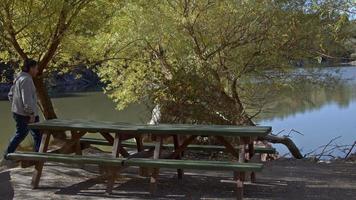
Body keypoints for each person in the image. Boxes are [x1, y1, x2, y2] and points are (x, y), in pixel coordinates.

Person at [3, 59, 41, 161]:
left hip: (19, 112)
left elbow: (10, 95)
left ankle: (8, 155)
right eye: (36, 68)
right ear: (31, 68)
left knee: (33, 134)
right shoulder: (26, 80)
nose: (37, 71)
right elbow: (27, 99)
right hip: (27, 114)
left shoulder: (19, 78)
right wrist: (31, 114)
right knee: (26, 134)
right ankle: (7, 155)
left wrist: (17, 106)